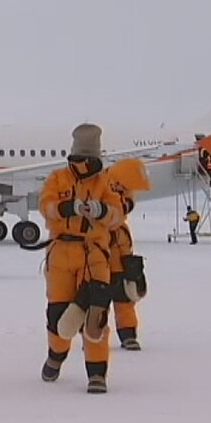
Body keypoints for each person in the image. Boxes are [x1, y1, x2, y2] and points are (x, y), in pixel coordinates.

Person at [38, 123, 125, 394]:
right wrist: (68, 207)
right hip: (61, 253)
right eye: (78, 159)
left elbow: (118, 215)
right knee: (58, 317)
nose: (82, 163)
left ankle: (97, 374)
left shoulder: (105, 182)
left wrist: (100, 210)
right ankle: (56, 355)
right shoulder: (57, 179)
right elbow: (46, 207)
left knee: (95, 317)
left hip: (94, 255)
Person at [105, 158, 152, 351]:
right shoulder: (100, 184)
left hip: (122, 256)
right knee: (96, 301)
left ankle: (128, 335)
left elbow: (127, 204)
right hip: (99, 256)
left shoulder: (125, 187)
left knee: (125, 298)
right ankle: (94, 337)